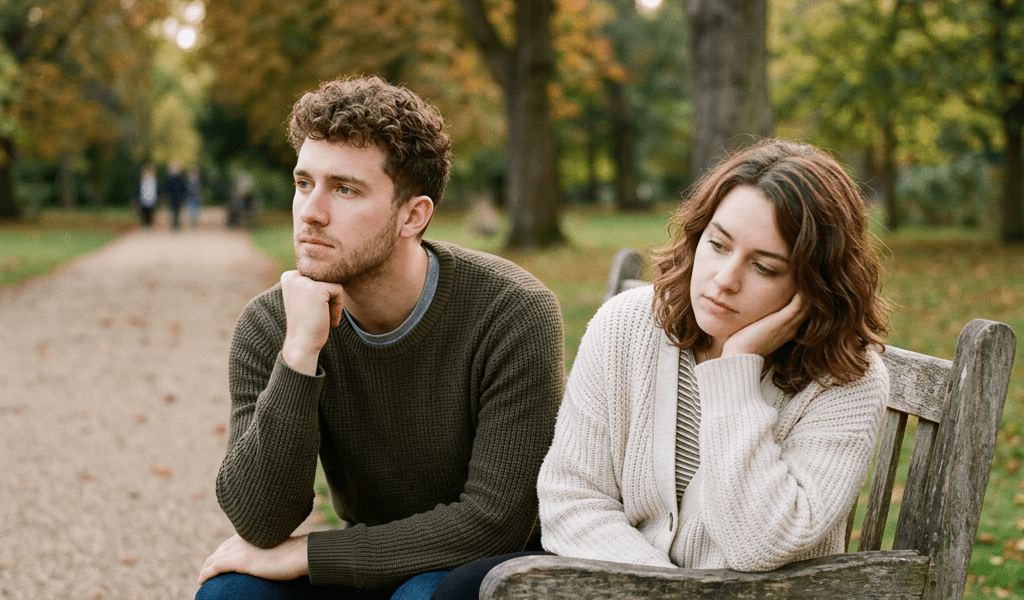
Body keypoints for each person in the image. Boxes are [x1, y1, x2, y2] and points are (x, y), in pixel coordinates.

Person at [430, 138, 890, 598]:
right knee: (461, 590)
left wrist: (736, 369)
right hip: (630, 584)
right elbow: (572, 497)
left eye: (764, 268)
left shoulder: (847, 381)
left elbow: (761, 545)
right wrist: (663, 591)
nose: (725, 279)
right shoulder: (629, 324)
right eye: (718, 244)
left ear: (813, 286)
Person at [193, 76, 564, 600]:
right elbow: (259, 520)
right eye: (304, 183)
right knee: (231, 594)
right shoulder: (272, 322)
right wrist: (299, 355)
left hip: (484, 569)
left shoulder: (511, 312)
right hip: (372, 558)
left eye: (344, 189)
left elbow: (495, 521)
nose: (311, 212)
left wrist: (309, 555)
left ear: (414, 215)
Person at [166, 159, 188, 230]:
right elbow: (167, 188)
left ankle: (177, 225)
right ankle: (174, 225)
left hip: (179, 197)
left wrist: (184, 196)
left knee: (178, 212)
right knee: (172, 212)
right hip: (171, 197)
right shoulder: (169, 177)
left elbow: (184, 188)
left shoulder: (182, 177)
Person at [138, 163, 158, 229]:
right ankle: (145, 225)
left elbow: (156, 190)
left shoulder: (154, 180)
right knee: (144, 212)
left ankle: (150, 225)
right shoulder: (142, 180)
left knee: (151, 212)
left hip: (152, 198)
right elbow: (139, 190)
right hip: (144, 198)